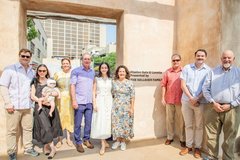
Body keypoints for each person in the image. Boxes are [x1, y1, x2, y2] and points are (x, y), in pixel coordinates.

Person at [0, 49, 39, 160]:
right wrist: (8, 103)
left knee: (28, 129)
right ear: (19, 56)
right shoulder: (10, 69)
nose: (25, 58)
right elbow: (3, 86)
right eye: (23, 56)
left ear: (30, 58)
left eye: (27, 56)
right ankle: (11, 152)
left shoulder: (32, 71)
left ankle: (28, 148)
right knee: (12, 131)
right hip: (13, 107)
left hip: (27, 106)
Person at [202, 50, 240, 160]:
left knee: (230, 137)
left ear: (234, 59)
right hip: (213, 108)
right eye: (224, 57)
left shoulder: (239, 73)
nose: (226, 60)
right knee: (211, 135)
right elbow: (205, 88)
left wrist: (232, 104)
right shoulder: (212, 72)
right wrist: (213, 102)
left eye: (229, 58)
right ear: (221, 59)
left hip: (232, 109)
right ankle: (211, 157)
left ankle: (227, 158)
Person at [179, 49, 211, 159]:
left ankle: (197, 148)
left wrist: (197, 98)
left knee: (199, 126)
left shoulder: (208, 71)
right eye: (198, 55)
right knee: (188, 125)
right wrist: (191, 98)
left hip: (200, 102)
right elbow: (183, 85)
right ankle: (188, 146)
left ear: (205, 57)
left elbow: (207, 87)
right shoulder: (187, 68)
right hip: (186, 101)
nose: (200, 57)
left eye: (202, 56)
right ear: (195, 56)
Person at [31, 64, 63, 159]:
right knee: (45, 127)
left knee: (51, 126)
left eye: (44, 71)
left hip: (50, 107)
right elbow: (32, 96)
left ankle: (46, 146)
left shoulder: (51, 81)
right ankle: (52, 148)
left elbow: (57, 92)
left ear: (47, 71)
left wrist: (51, 95)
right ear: (37, 71)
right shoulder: (34, 82)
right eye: (40, 70)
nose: (42, 72)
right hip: (40, 107)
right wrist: (41, 100)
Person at [70, 53, 95, 153]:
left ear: (91, 60)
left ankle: (86, 140)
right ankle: (78, 142)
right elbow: (72, 86)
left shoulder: (93, 72)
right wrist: (74, 100)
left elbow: (94, 85)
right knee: (77, 124)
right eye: (85, 59)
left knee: (88, 123)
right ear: (82, 60)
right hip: (79, 102)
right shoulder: (76, 71)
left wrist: (94, 100)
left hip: (89, 102)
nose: (87, 60)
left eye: (89, 59)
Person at [161, 54, 185, 147]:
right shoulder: (167, 72)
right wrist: (162, 97)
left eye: (177, 60)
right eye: (174, 60)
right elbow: (163, 85)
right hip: (169, 100)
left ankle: (182, 139)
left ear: (180, 61)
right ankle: (170, 137)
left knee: (181, 121)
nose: (175, 62)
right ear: (172, 61)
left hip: (181, 100)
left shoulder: (184, 71)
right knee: (169, 120)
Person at [111, 65, 135, 151]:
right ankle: (117, 141)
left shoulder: (130, 83)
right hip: (116, 107)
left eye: (123, 71)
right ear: (117, 73)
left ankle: (123, 142)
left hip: (126, 107)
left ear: (126, 73)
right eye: (120, 71)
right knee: (116, 124)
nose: (121, 73)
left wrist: (132, 108)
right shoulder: (114, 82)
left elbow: (132, 96)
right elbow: (112, 94)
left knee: (125, 124)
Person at [91, 62, 112, 155]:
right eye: (102, 68)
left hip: (109, 101)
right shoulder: (97, 79)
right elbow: (93, 91)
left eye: (105, 67)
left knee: (107, 122)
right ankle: (103, 144)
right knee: (101, 121)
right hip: (100, 101)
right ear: (100, 69)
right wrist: (94, 103)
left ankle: (105, 141)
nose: (104, 69)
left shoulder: (111, 79)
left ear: (108, 69)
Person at [54, 58, 74, 147]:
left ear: (70, 64)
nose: (65, 65)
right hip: (59, 99)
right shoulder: (57, 74)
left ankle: (69, 139)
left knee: (70, 117)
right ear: (61, 64)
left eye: (67, 63)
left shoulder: (73, 74)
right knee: (60, 117)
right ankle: (59, 139)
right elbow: (53, 86)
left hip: (70, 99)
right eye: (64, 63)